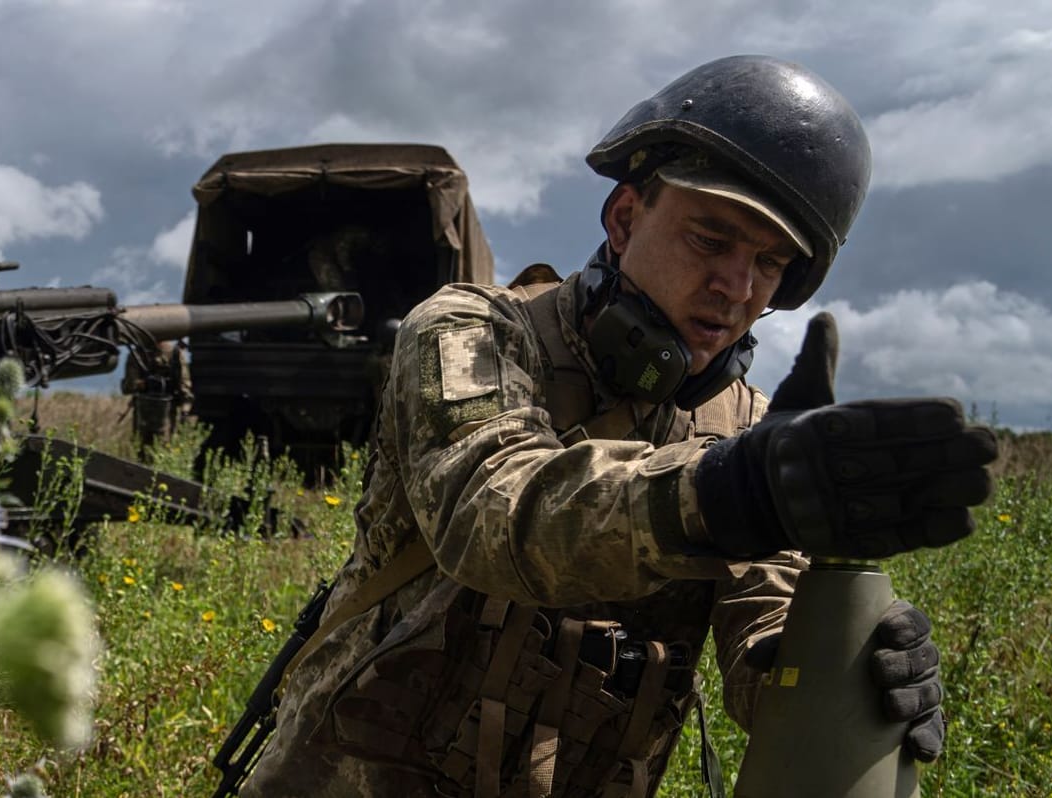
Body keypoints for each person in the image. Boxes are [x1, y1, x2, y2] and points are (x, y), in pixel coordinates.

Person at [238, 55, 997, 797]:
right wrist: (722, 495)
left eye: (768, 264)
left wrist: (847, 663)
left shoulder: (748, 430)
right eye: (710, 239)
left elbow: (762, 639)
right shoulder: (472, 330)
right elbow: (492, 511)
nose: (736, 287)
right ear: (626, 217)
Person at [120, 339, 192, 460]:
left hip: (162, 411)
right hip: (147, 412)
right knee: (149, 453)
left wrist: (185, 411)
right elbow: (129, 386)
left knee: (159, 452)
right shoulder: (138, 354)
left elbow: (184, 388)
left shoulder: (174, 353)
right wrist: (146, 384)